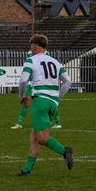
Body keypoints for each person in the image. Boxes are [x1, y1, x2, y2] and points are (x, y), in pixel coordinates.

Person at [17, 34, 74, 177]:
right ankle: (26, 170)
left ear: (35, 46)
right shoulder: (55, 62)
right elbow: (68, 82)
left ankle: (64, 150)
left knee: (41, 138)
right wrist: (57, 98)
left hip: (40, 101)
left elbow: (23, 80)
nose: (30, 48)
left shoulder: (31, 60)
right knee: (34, 138)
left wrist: (21, 96)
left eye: (31, 46)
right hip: (52, 103)